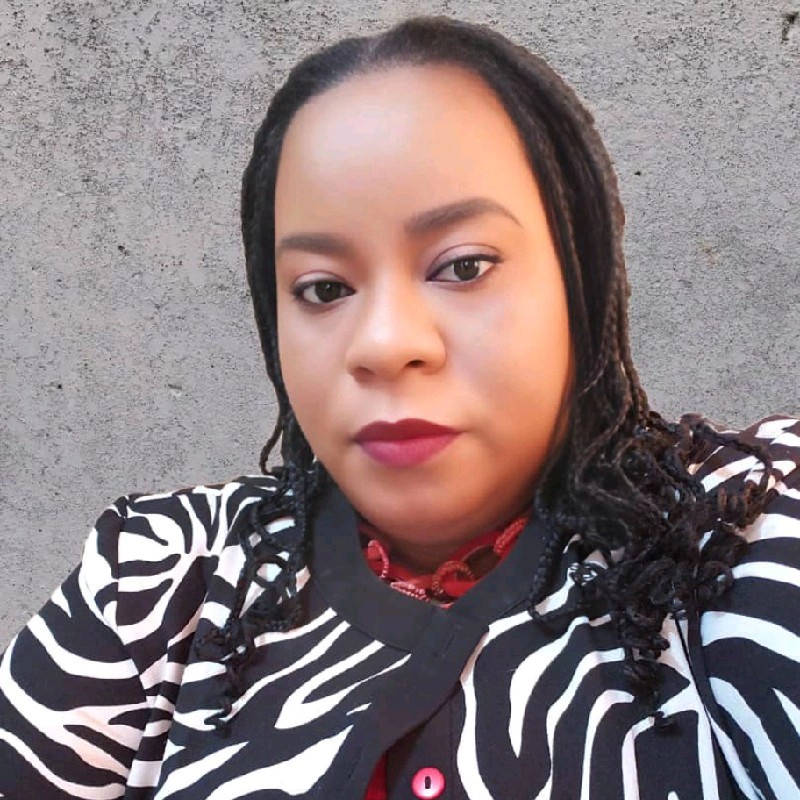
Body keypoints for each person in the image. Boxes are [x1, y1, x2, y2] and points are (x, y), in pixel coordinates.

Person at [0, 13, 798, 800]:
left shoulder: (751, 532)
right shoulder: (155, 580)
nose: (383, 344)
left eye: (463, 266)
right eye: (324, 288)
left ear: (581, 279)